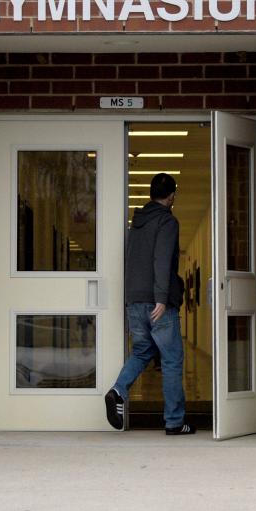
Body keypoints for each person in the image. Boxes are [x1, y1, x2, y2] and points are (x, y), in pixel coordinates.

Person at [105, 173, 194, 435]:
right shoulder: (167, 222)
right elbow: (162, 260)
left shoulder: (137, 224)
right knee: (171, 359)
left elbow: (132, 261)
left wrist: (132, 298)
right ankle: (175, 422)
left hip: (135, 301)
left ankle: (117, 390)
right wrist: (161, 298)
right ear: (171, 196)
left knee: (143, 351)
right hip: (157, 303)